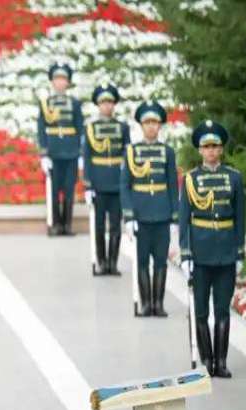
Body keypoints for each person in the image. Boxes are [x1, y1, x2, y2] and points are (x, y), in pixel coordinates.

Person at [179, 120, 245, 377]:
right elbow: (184, 219)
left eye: (215, 146)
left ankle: (222, 361)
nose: (211, 151)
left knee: (222, 310)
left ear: (221, 149)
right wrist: (185, 255)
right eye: (206, 146)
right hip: (200, 253)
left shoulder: (234, 178)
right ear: (199, 150)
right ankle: (206, 360)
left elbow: (240, 218)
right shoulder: (190, 179)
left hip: (226, 252)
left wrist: (239, 252)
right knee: (201, 310)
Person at [121, 101, 178, 317]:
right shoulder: (132, 152)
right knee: (143, 261)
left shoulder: (167, 152)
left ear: (160, 125)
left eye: (155, 122)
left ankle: (158, 303)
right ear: (141, 126)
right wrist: (129, 216)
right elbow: (125, 185)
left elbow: (173, 185)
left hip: (162, 214)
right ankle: (146, 303)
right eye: (147, 122)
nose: (151, 127)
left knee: (161, 262)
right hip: (141, 214)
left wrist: (174, 218)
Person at [82, 83, 129, 274]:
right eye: (103, 102)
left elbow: (128, 157)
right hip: (99, 182)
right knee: (99, 226)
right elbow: (87, 157)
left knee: (116, 226)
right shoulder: (91, 128)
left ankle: (113, 263)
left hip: (117, 182)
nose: (107, 106)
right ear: (98, 105)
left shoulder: (122, 127)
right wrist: (88, 185)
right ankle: (101, 262)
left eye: (110, 102)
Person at [37, 62, 85, 236]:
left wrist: (81, 153)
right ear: (52, 81)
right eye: (57, 78)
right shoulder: (46, 104)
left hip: (70, 151)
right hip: (53, 151)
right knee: (54, 190)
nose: (60, 82)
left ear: (68, 82)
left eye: (63, 78)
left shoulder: (75, 104)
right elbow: (41, 129)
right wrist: (43, 153)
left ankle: (67, 225)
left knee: (69, 190)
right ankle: (55, 224)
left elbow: (80, 128)